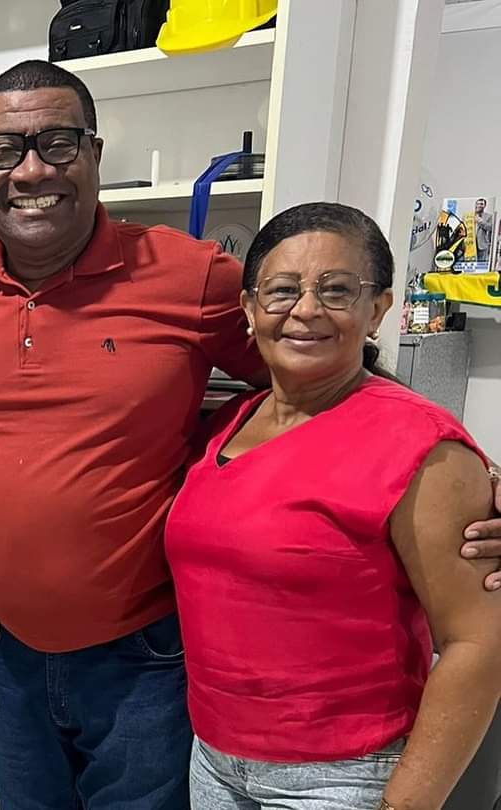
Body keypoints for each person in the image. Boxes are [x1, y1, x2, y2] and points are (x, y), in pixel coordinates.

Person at [0, 59, 501, 810]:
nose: (31, 170)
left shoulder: (190, 277)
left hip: (144, 656)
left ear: (94, 154)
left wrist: (459, 475)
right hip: (9, 649)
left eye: (58, 143)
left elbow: (320, 372)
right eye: (4, 150)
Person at [165, 202, 501, 810]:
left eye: (337, 290)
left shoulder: (424, 447)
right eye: (282, 290)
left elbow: (480, 643)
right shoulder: (230, 422)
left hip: (343, 776)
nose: (307, 309)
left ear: (378, 309)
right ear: (249, 308)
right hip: (214, 758)